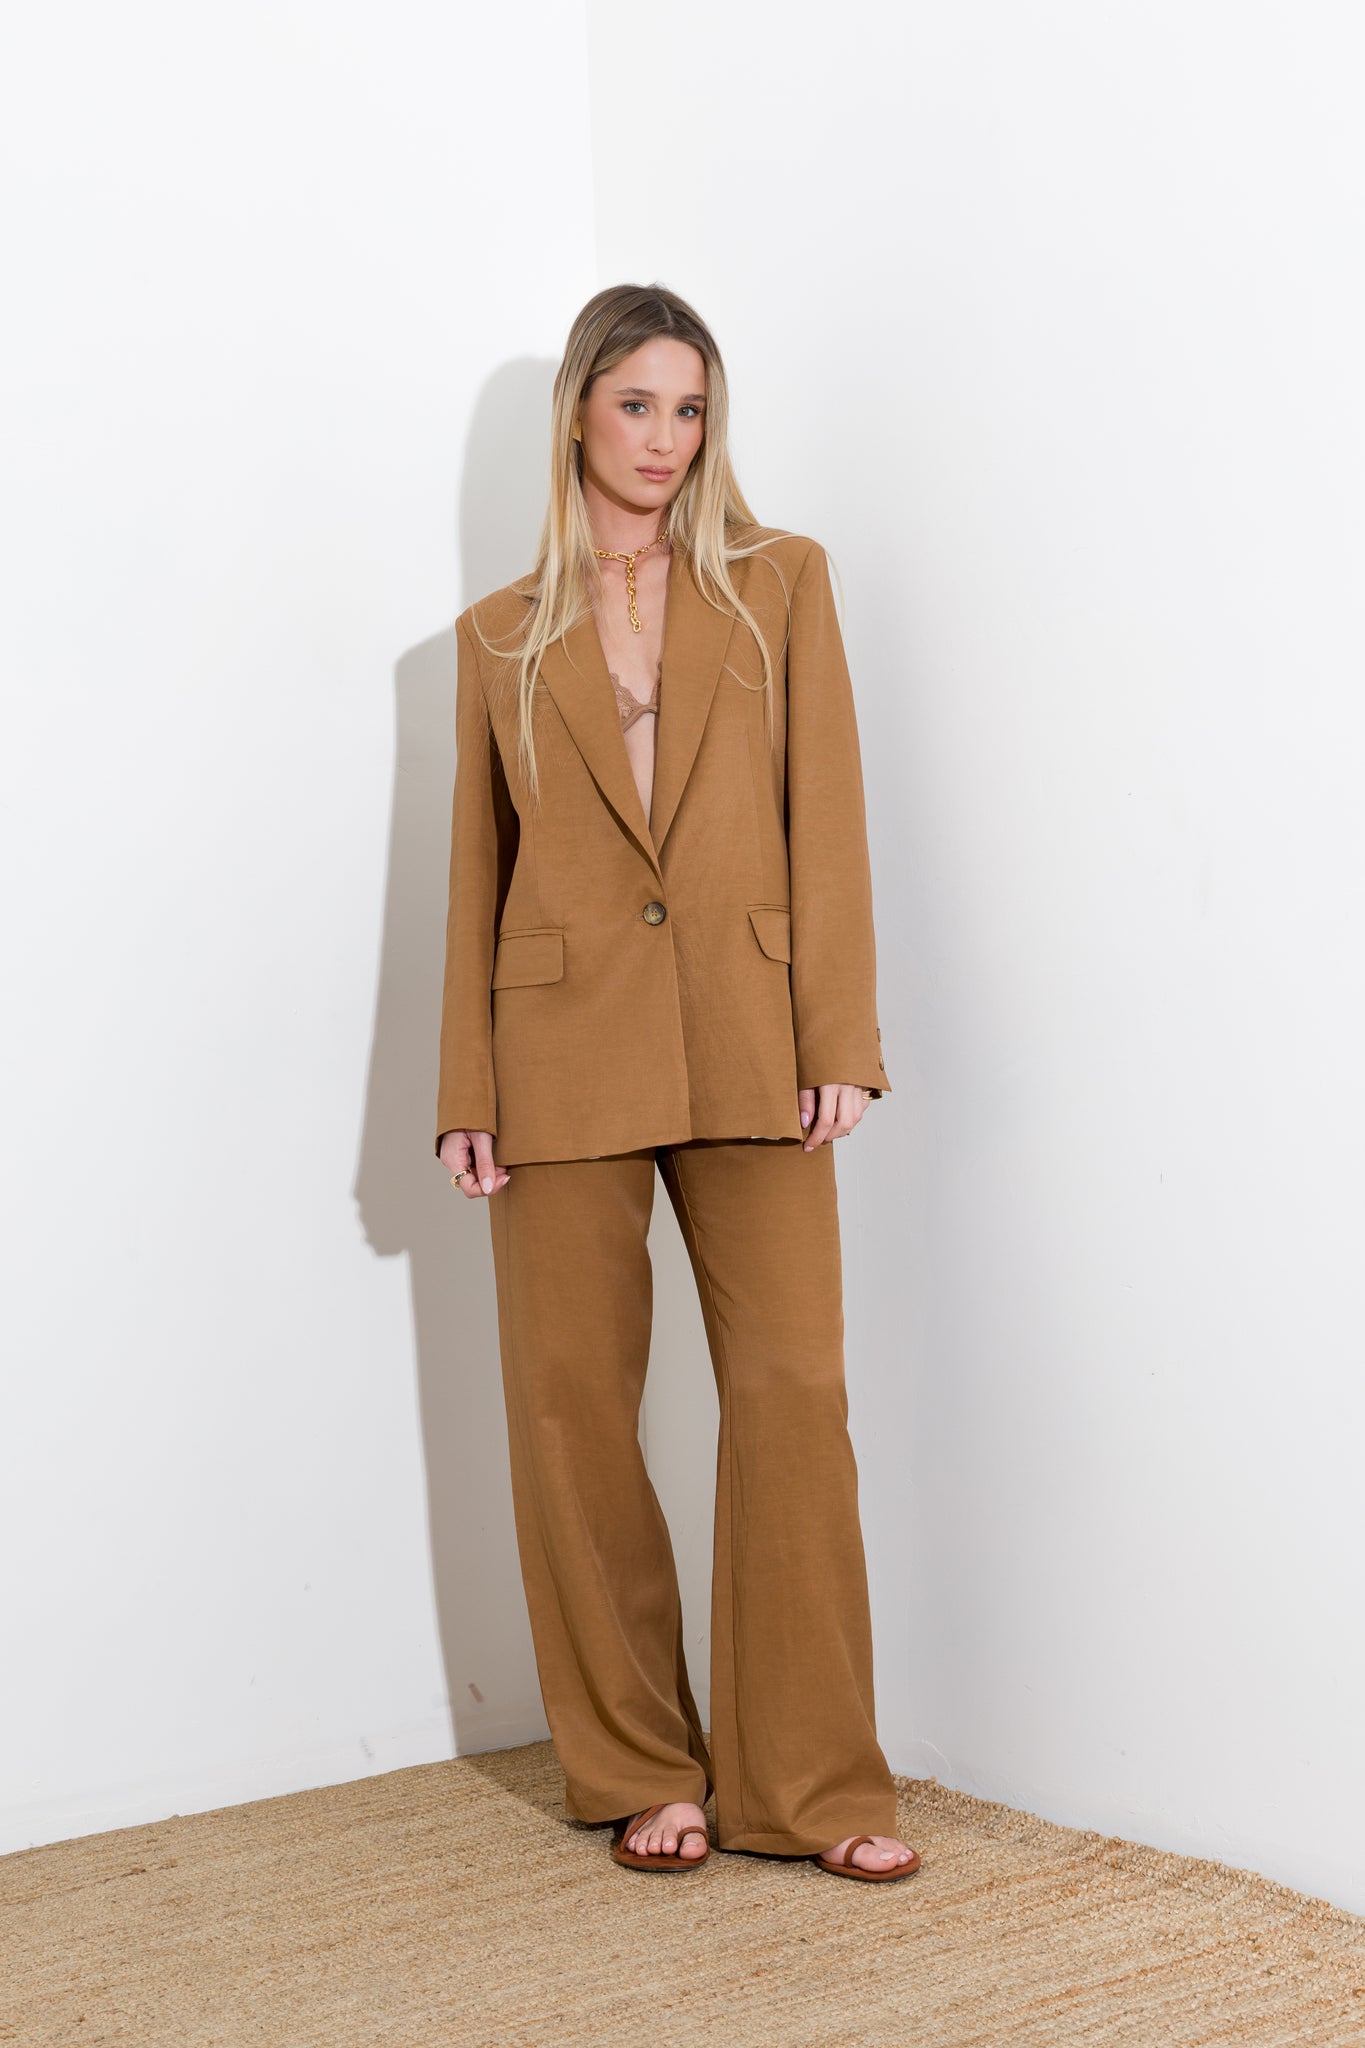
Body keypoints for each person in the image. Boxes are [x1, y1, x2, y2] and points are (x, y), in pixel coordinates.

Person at [434, 282, 920, 1884]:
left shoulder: (781, 582)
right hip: (556, 1051)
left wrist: (838, 1039)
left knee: (790, 1394)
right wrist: (466, 1084)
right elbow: (476, 871)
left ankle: (813, 1785)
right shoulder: (498, 632)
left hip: (753, 1036)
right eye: (636, 404)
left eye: (690, 408)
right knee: (570, 1410)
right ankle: (640, 1764)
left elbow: (826, 816)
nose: (664, 439)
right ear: (578, 412)